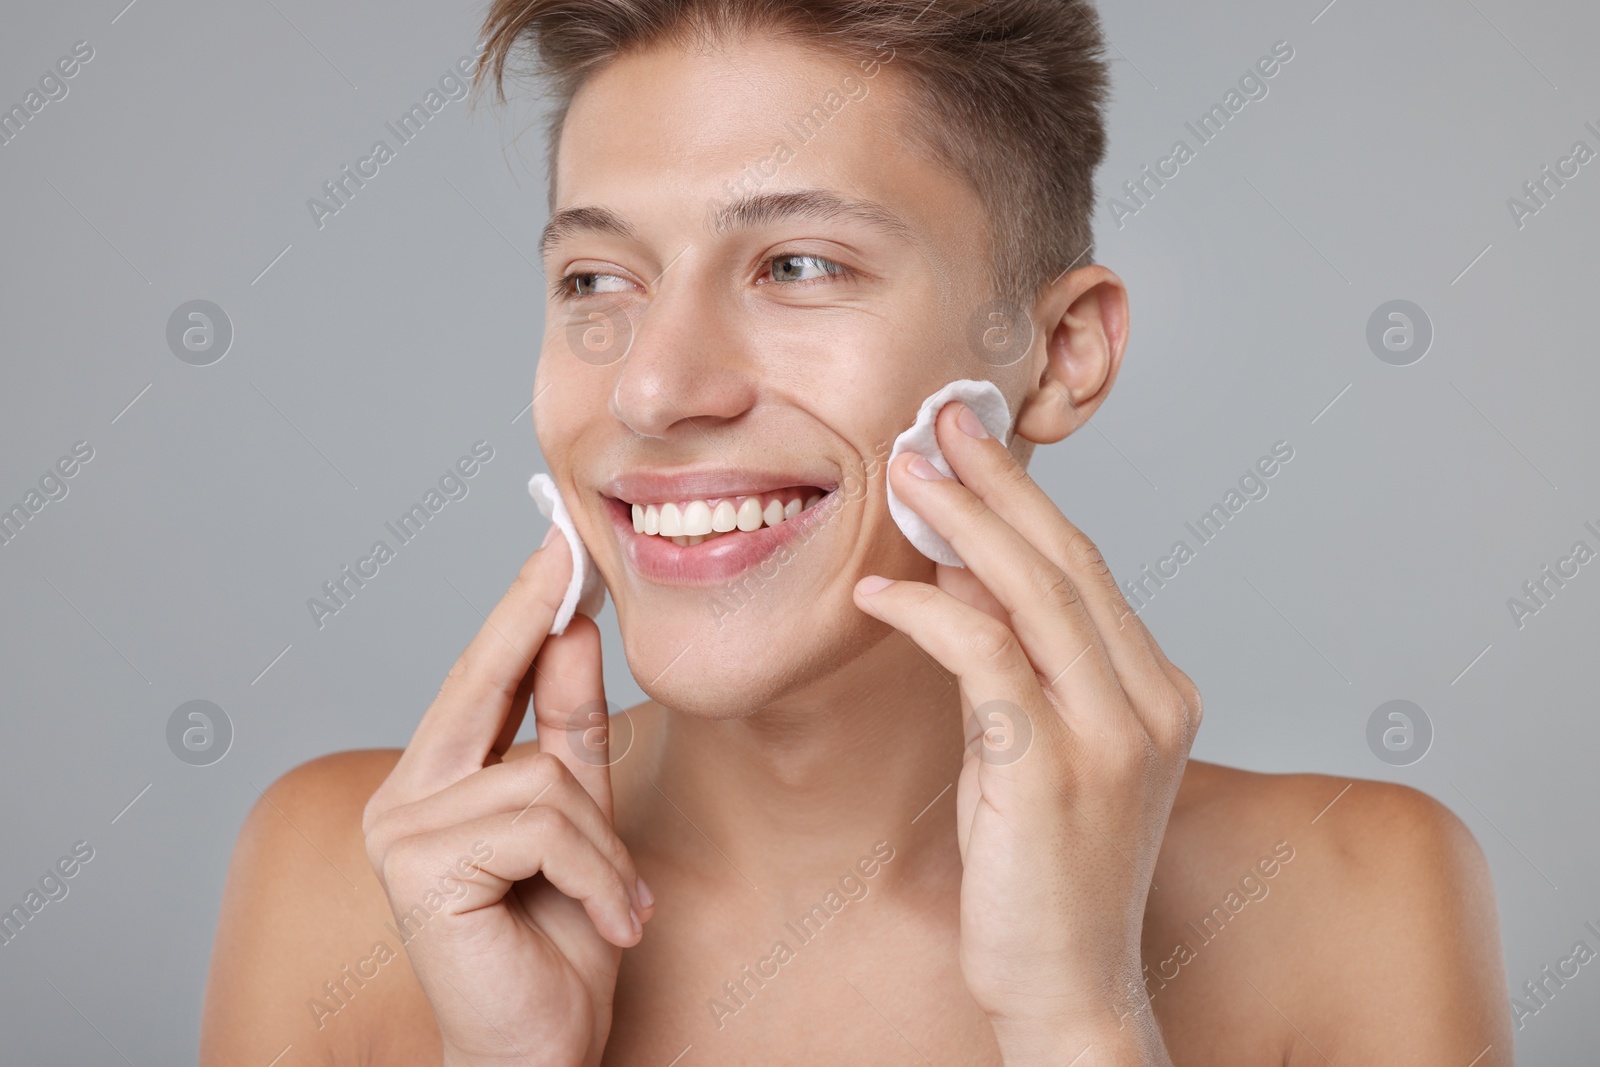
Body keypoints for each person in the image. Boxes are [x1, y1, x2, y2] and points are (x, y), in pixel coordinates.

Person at [201, 1, 1513, 1063]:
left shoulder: (1357, 900)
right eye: (596, 282)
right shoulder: (347, 879)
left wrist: (1079, 1023)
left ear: (1056, 356)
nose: (652, 391)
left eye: (798, 266)